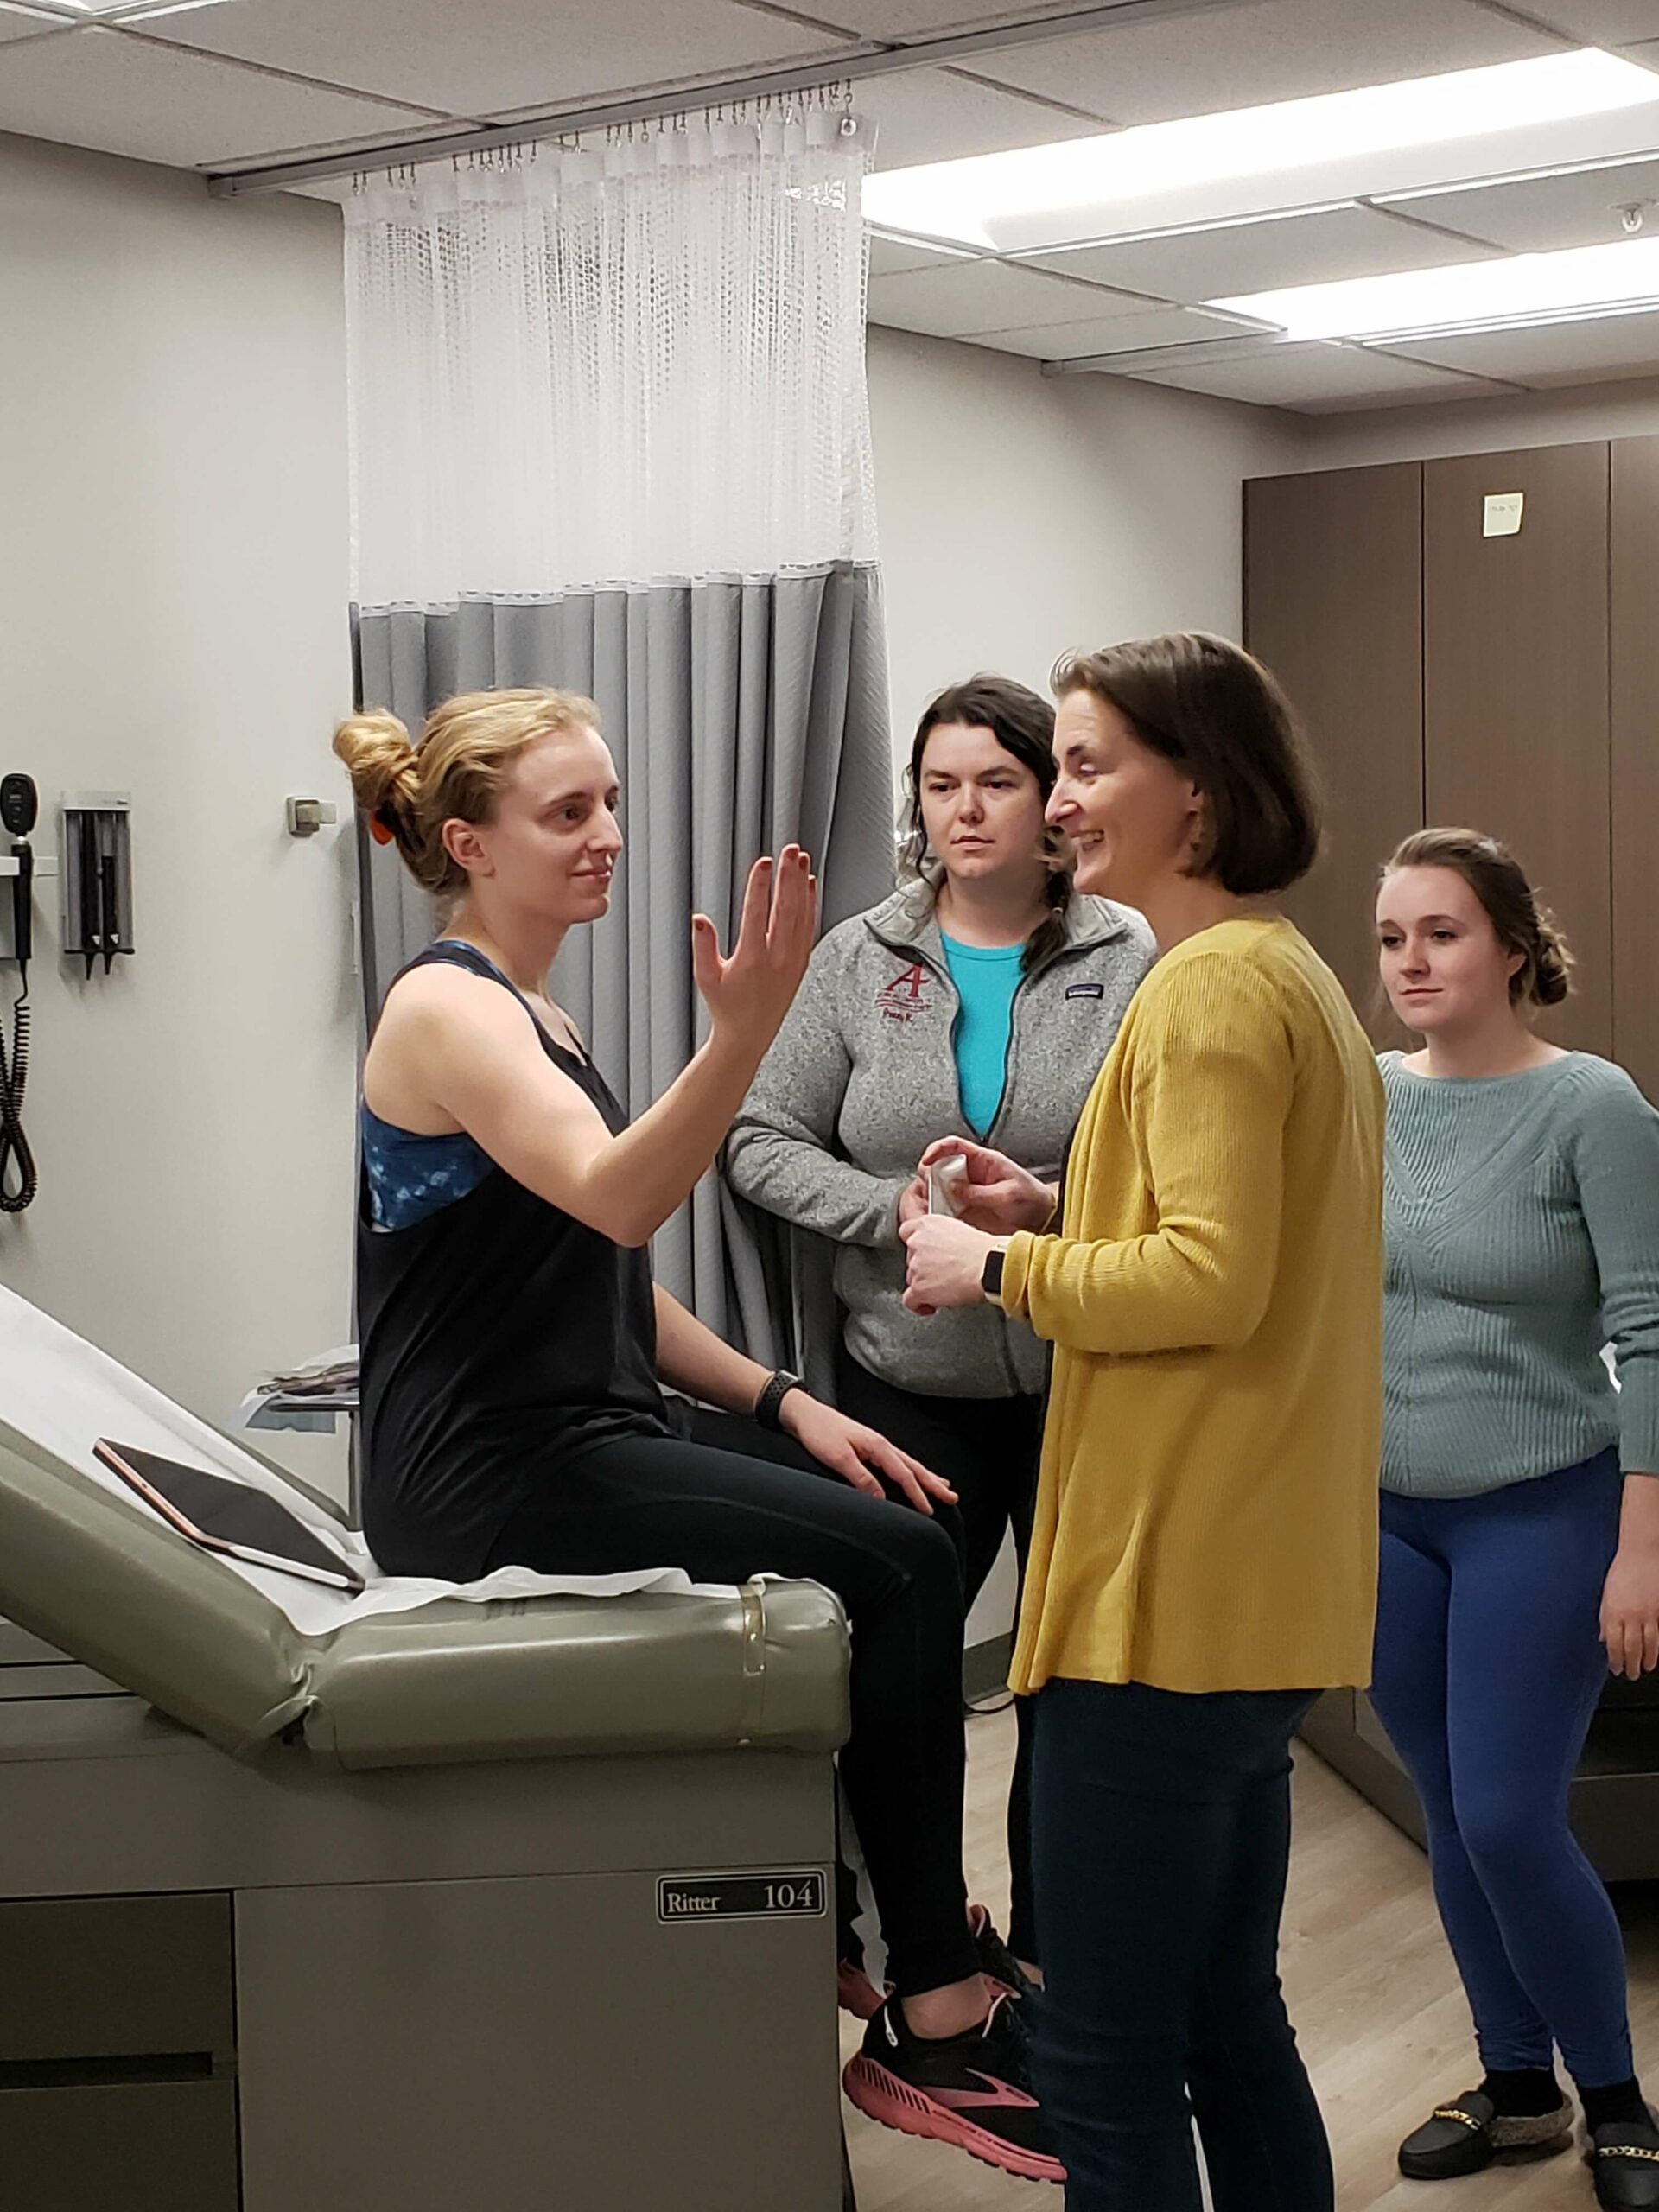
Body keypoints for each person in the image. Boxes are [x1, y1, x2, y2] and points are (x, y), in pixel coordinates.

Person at [333, 686, 1061, 2186]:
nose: (609, 834)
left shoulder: (538, 1013)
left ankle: (860, 1934)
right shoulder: (442, 1008)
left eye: (608, 801)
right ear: (464, 841)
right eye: (568, 813)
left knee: (888, 1500)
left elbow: (612, 1279)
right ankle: (932, 2007)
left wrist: (792, 1405)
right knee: (914, 1568)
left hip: (583, 1426)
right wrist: (745, 1032)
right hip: (484, 1475)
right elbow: (619, 1194)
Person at [900, 632, 1383, 2212]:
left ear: (1204, 790)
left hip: (1168, 1604)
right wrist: (1060, 1197)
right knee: (1226, 2016)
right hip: (1255, 1595)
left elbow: (1212, 1280)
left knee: (1103, 2055)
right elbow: (1242, 1236)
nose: (1060, 801)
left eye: (1094, 765)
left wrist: (998, 1263)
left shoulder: (1205, 991)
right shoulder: (1282, 971)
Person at [725, 673, 1152, 1987]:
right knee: (898, 1682)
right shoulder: (861, 959)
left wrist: (1038, 1225)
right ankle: (926, 1958)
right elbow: (756, 1140)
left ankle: (1058, 1965)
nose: (965, 811)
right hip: (907, 1378)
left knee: (1072, 1691)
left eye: (998, 783)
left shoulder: (1128, 954)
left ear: (1050, 802)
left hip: (1090, 1375)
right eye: (941, 784)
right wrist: (896, 1214)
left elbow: (1171, 1167)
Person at [1371, 828, 1659, 2211]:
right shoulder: (1365, 1098)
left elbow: (1653, 1333)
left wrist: (1644, 1547)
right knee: (1446, 1806)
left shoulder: (1592, 1104)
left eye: (1442, 933)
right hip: (1385, 1516)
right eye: (1391, 940)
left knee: (1505, 1813)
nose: (1411, 963)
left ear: (1513, 950)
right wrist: (1046, 1209)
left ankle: (1617, 2101)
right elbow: (1239, 1232)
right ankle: (1519, 2087)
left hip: (1543, 1510)